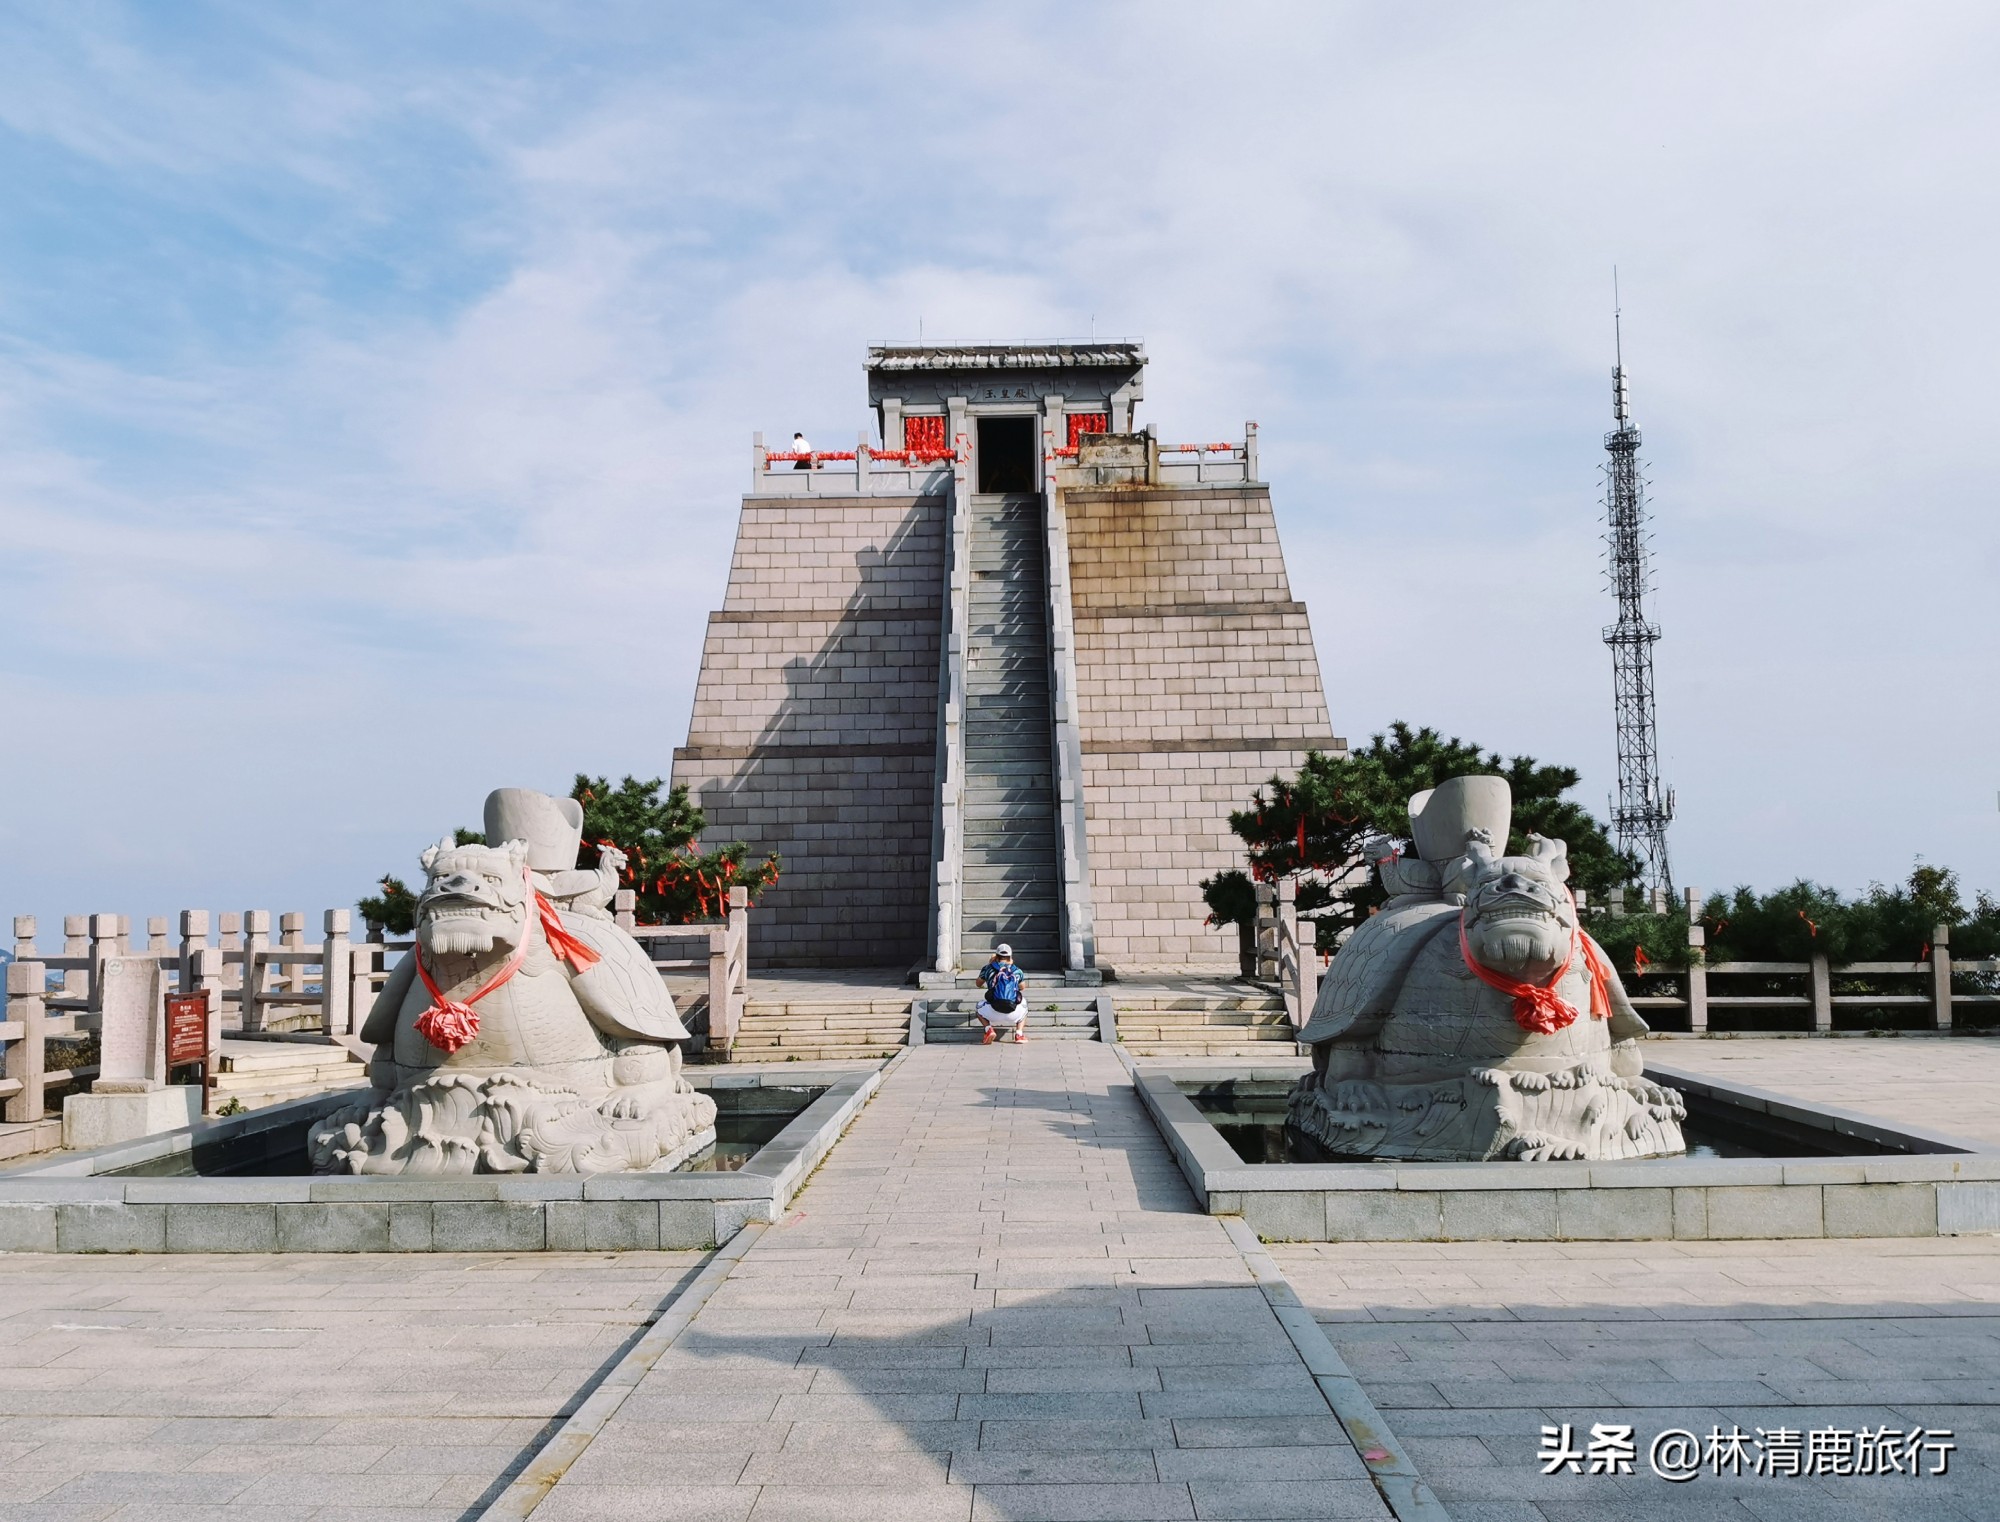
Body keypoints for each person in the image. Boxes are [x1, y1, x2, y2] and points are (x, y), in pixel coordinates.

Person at [974, 943, 1026, 1044]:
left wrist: (990, 965)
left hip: (993, 1010)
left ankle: (988, 1029)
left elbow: (978, 984)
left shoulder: (988, 968)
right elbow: (1022, 987)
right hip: (1013, 1012)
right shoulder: (1017, 970)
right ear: (1010, 957)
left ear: (996, 956)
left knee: (978, 1007)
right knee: (1024, 1003)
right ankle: (1019, 1034)